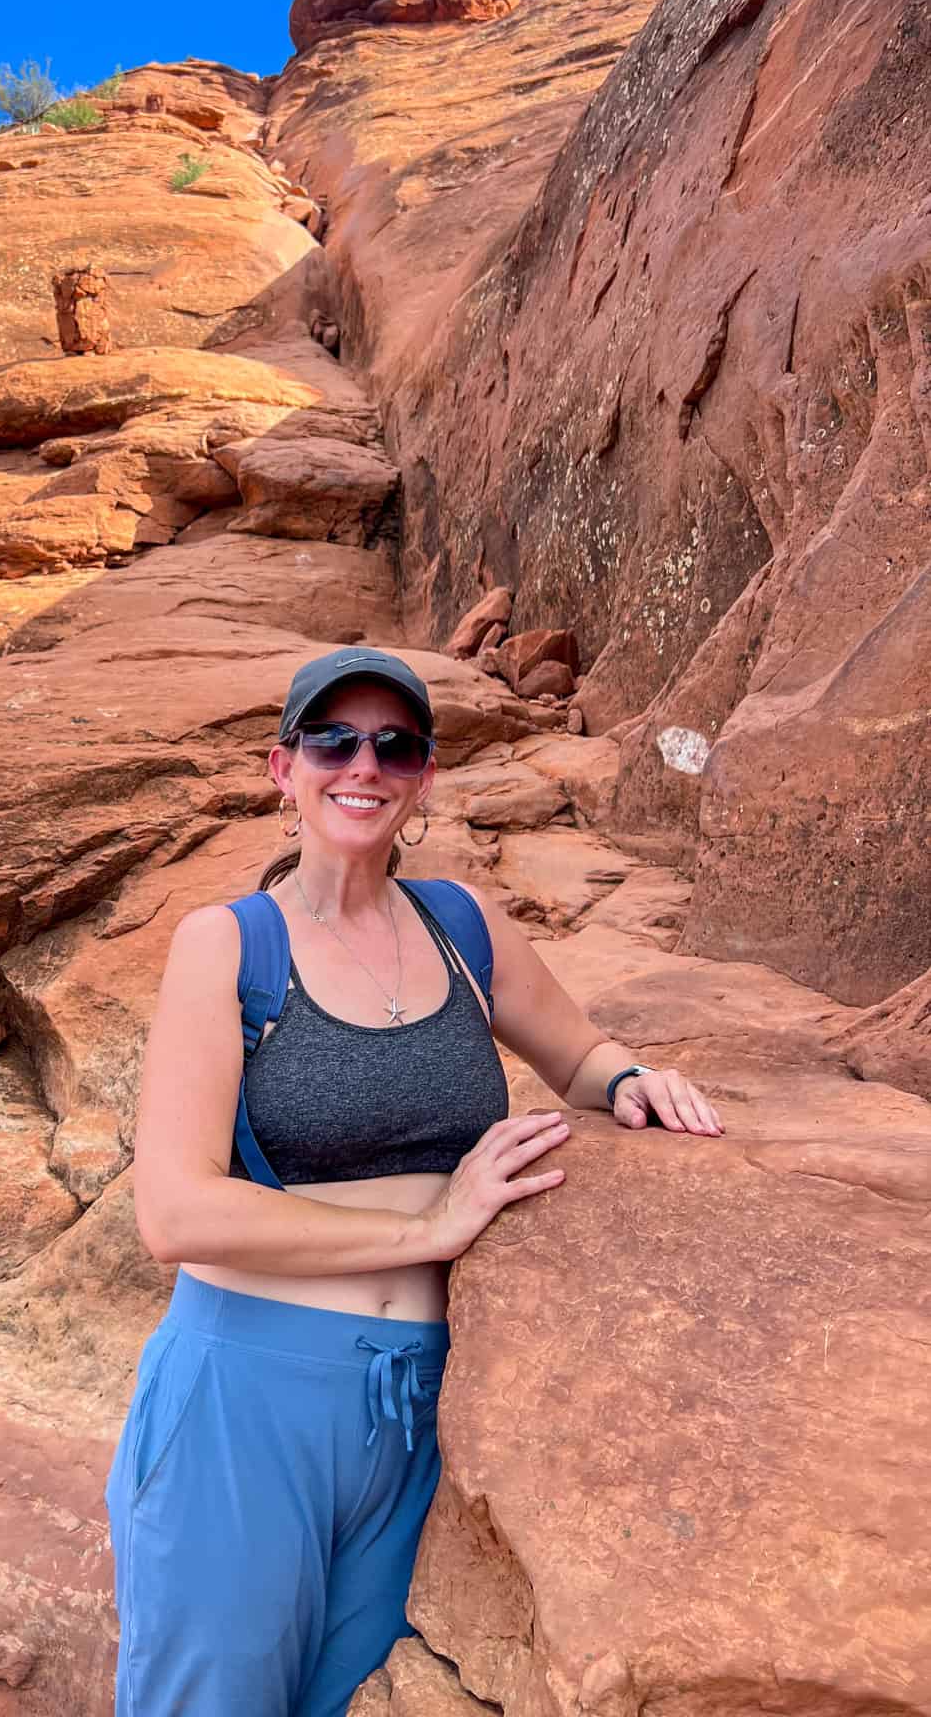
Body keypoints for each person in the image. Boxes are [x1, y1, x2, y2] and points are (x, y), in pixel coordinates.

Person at [106, 645, 723, 1717]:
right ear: (282, 766)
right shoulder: (229, 945)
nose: (365, 764)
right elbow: (174, 1210)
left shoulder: (462, 924)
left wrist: (629, 1080)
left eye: (395, 745)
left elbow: (576, 1057)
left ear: (426, 775)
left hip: (418, 1405)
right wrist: (433, 1223)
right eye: (334, 739)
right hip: (248, 1394)